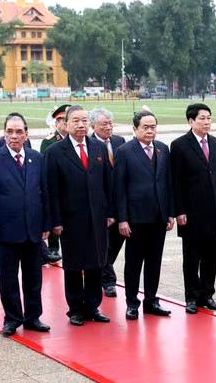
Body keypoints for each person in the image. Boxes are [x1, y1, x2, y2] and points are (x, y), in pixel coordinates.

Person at [0, 113, 50, 337]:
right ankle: (12, 318)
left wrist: (46, 224)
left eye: (19, 131)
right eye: (10, 131)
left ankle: (33, 317)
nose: (14, 136)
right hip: (5, 231)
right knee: (8, 279)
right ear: (4, 133)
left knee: (34, 278)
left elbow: (44, 194)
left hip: (33, 230)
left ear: (26, 134)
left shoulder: (36, 157)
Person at [45, 105, 114, 325]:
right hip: (70, 219)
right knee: (74, 265)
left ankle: (93, 306)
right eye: (76, 121)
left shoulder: (98, 148)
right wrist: (54, 221)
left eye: (85, 120)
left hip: (97, 217)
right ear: (66, 123)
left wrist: (110, 212)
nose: (81, 125)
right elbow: (51, 190)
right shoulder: (55, 152)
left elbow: (107, 183)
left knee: (96, 262)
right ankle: (75, 308)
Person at [170, 103, 216, 314]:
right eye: (202, 118)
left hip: (215, 211)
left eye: (209, 118)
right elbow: (176, 183)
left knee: (211, 256)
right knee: (192, 258)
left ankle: (207, 294)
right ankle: (192, 297)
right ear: (191, 121)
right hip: (191, 213)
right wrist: (179, 211)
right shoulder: (179, 145)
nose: (207, 122)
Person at [114, 110, 174, 320]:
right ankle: (132, 302)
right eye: (145, 127)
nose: (150, 131)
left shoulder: (162, 149)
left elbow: (168, 183)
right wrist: (122, 218)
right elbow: (119, 188)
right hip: (135, 218)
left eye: (153, 127)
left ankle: (151, 300)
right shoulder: (124, 151)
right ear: (135, 129)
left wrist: (170, 213)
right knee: (133, 263)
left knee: (154, 262)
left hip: (158, 217)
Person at [90, 107, 126, 298]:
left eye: (111, 123)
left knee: (116, 243)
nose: (109, 127)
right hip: (102, 204)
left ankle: (103, 270)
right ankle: (108, 280)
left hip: (120, 201)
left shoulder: (119, 141)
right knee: (103, 243)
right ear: (93, 125)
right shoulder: (90, 144)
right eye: (105, 124)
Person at [39, 104, 70, 265]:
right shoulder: (49, 142)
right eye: (62, 120)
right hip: (57, 185)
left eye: (67, 119)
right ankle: (53, 246)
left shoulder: (79, 139)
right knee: (55, 216)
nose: (65, 123)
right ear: (56, 122)